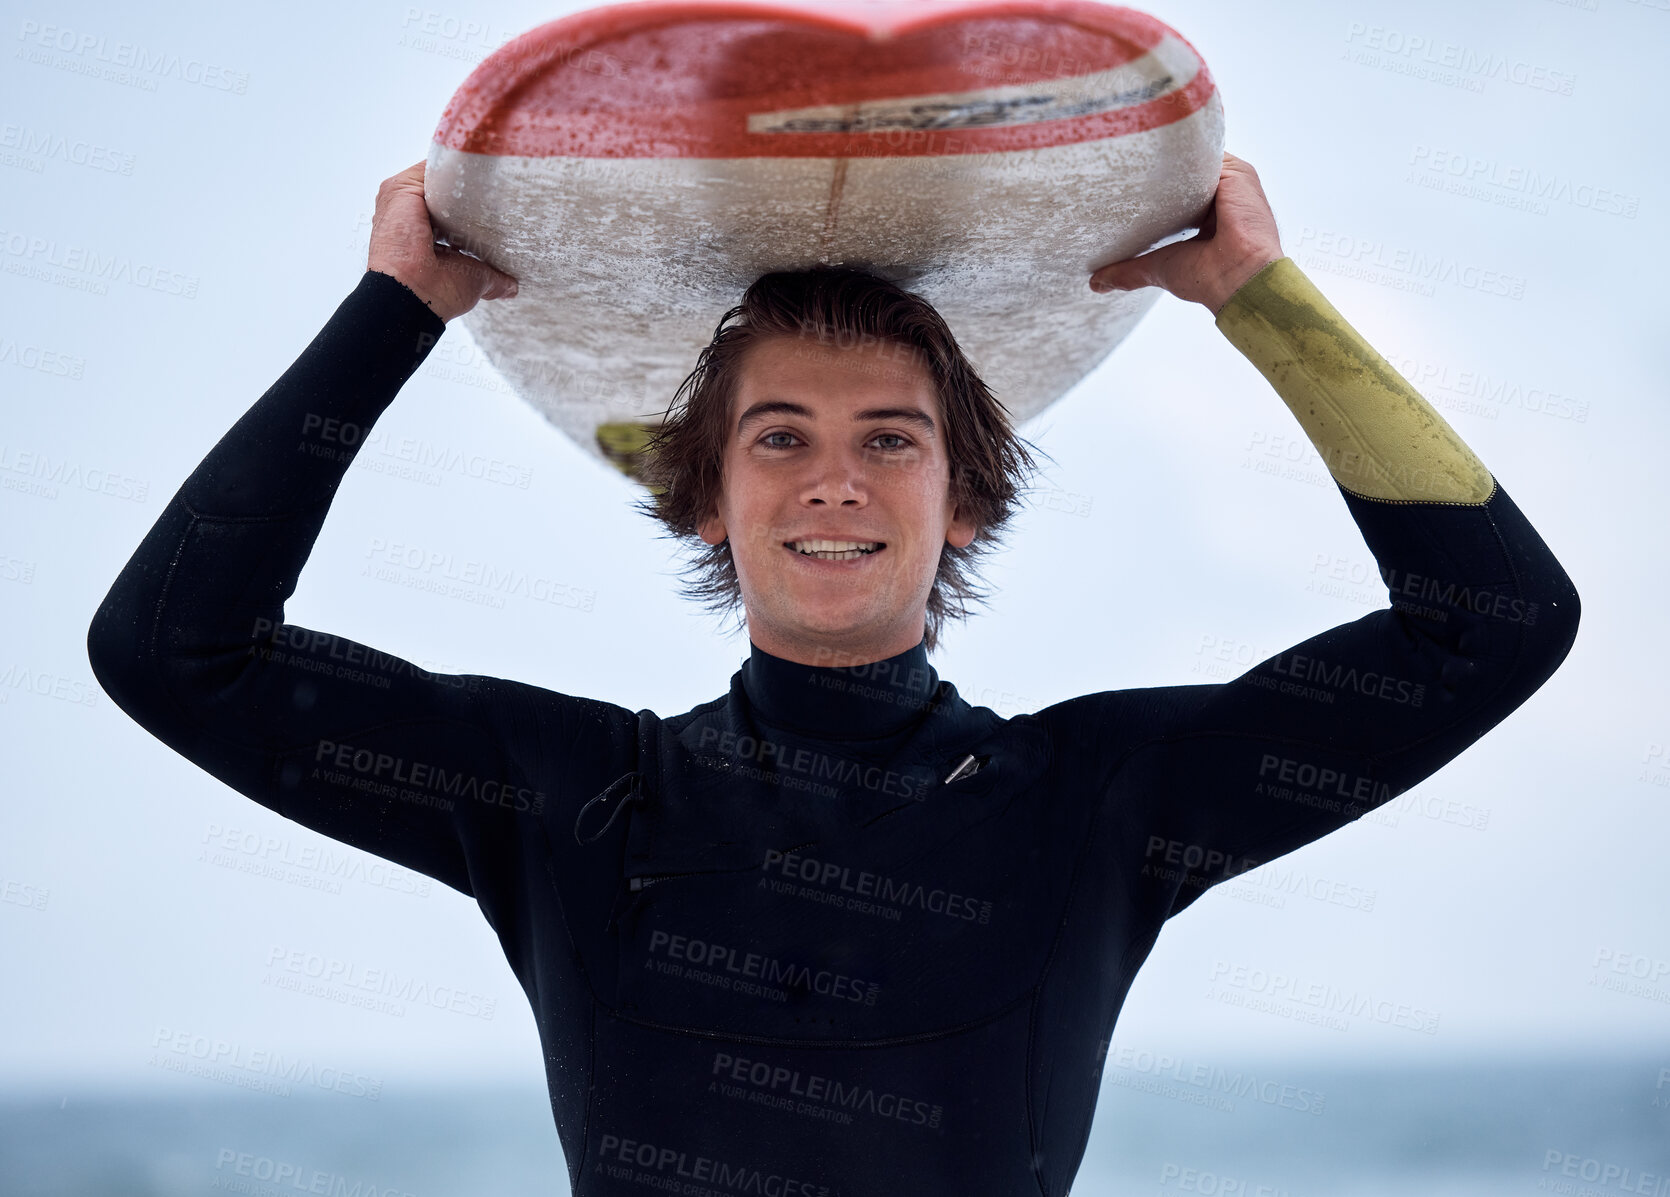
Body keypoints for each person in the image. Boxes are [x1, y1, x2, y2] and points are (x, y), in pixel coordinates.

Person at [87, 153, 1579, 1196]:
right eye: (778, 435)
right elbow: (172, 650)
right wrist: (392, 312)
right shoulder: (561, 798)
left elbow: (1493, 623)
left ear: (967, 502)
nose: (833, 482)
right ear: (700, 498)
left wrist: (1260, 295)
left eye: (891, 438)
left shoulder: (1099, 801)